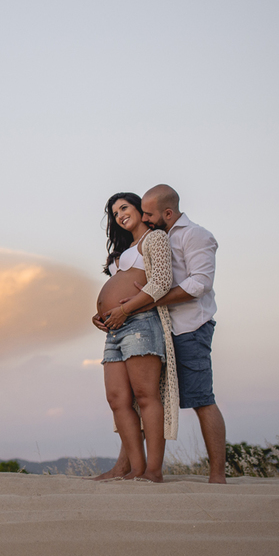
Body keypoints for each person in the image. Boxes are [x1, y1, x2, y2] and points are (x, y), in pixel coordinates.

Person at [99, 184, 226, 484]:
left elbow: (199, 284)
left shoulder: (192, 235)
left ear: (166, 212)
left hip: (188, 327)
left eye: (146, 212)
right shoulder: (152, 237)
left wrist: (133, 305)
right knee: (132, 400)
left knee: (200, 397)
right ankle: (128, 467)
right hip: (154, 324)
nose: (144, 216)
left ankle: (217, 475)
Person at [90, 192, 179, 482]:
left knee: (146, 396)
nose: (119, 215)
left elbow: (162, 282)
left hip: (140, 323)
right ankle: (134, 469)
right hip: (114, 329)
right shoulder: (124, 249)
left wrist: (124, 308)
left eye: (124, 208)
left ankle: (152, 471)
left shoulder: (154, 239)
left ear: (141, 209)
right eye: (115, 213)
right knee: (117, 399)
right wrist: (101, 312)